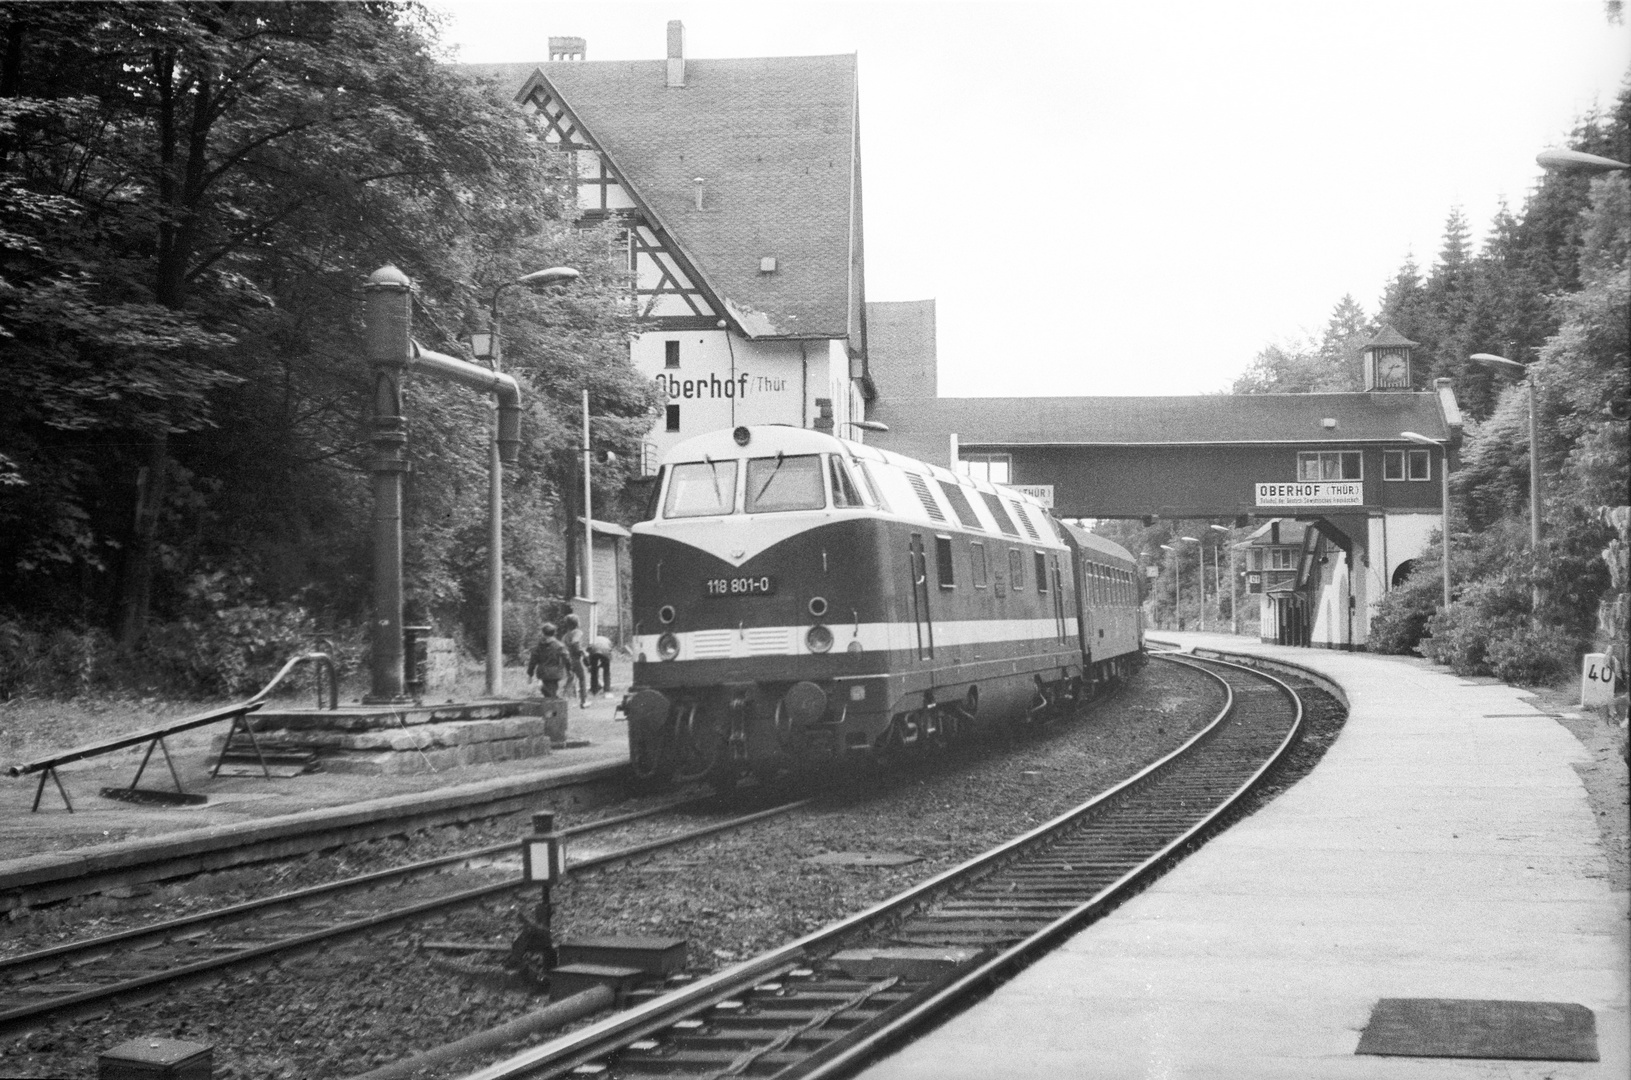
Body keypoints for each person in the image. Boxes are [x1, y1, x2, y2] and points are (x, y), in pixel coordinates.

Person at [526, 623, 568, 700]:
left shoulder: (538, 646)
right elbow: (566, 658)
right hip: (555, 672)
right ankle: (552, 705)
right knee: (552, 692)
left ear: (543, 633)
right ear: (554, 633)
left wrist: (530, 674)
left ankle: (549, 698)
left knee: (549, 692)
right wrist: (569, 669)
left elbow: (533, 660)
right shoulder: (559, 646)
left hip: (542, 672)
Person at [560, 613, 589, 708]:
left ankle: (561, 699)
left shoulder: (564, 636)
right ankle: (583, 701)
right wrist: (583, 652)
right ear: (576, 622)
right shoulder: (577, 632)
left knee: (570, 679)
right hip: (575, 659)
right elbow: (575, 642)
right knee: (582, 678)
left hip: (567, 660)